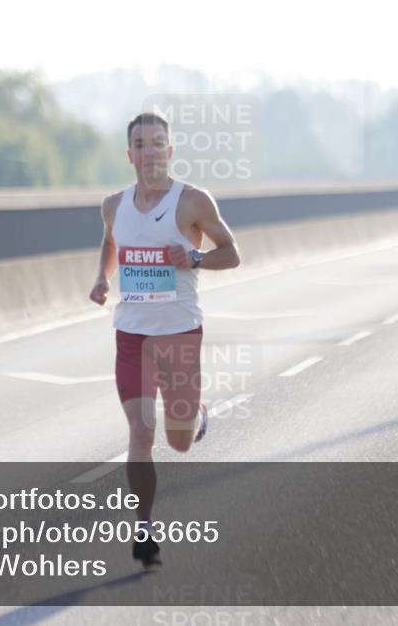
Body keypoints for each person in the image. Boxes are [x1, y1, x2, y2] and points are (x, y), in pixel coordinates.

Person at [88, 112, 241, 569]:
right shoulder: (113, 204)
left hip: (179, 332)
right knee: (140, 431)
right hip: (132, 334)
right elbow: (112, 243)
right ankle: (144, 528)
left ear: (169, 151)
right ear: (129, 154)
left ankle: (193, 412)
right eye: (141, 143)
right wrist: (101, 277)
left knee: (178, 442)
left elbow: (232, 253)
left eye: (158, 143)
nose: (150, 150)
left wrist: (193, 258)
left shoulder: (192, 201)